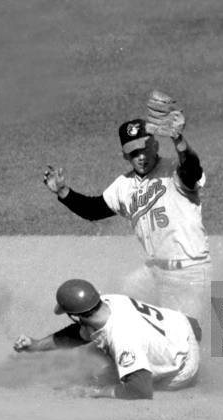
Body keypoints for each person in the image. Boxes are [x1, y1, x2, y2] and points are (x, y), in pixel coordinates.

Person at [43, 117, 210, 320]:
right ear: (125, 156)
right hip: (154, 271)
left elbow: (192, 169)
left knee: (186, 334)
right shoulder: (124, 185)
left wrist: (178, 140)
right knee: (117, 308)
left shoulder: (174, 170)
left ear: (155, 145)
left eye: (145, 149)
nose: (141, 157)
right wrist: (62, 191)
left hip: (188, 270)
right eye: (134, 153)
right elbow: (93, 210)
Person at [13, 279, 202, 399]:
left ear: (75, 315)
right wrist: (36, 345)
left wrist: (96, 392)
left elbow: (140, 390)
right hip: (183, 325)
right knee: (92, 356)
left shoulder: (121, 337)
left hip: (183, 368)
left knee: (94, 376)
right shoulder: (108, 301)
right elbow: (76, 333)